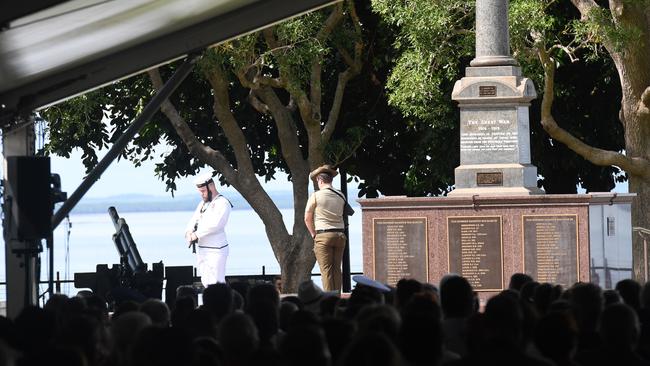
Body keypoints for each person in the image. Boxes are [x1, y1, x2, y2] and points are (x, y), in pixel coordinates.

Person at [304, 164, 346, 292]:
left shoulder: (316, 196)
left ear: (320, 180)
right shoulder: (341, 195)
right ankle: (337, 297)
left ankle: (329, 300)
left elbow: (307, 218)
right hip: (340, 235)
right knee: (337, 269)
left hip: (323, 235)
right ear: (331, 180)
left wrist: (313, 234)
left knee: (326, 271)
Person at [185, 173, 232, 287]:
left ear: (211, 186)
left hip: (216, 249)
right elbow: (194, 220)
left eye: (203, 191)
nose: (201, 194)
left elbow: (216, 224)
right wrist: (188, 232)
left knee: (217, 282)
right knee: (206, 281)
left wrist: (196, 234)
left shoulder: (223, 203)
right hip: (202, 249)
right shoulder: (203, 204)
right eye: (200, 191)